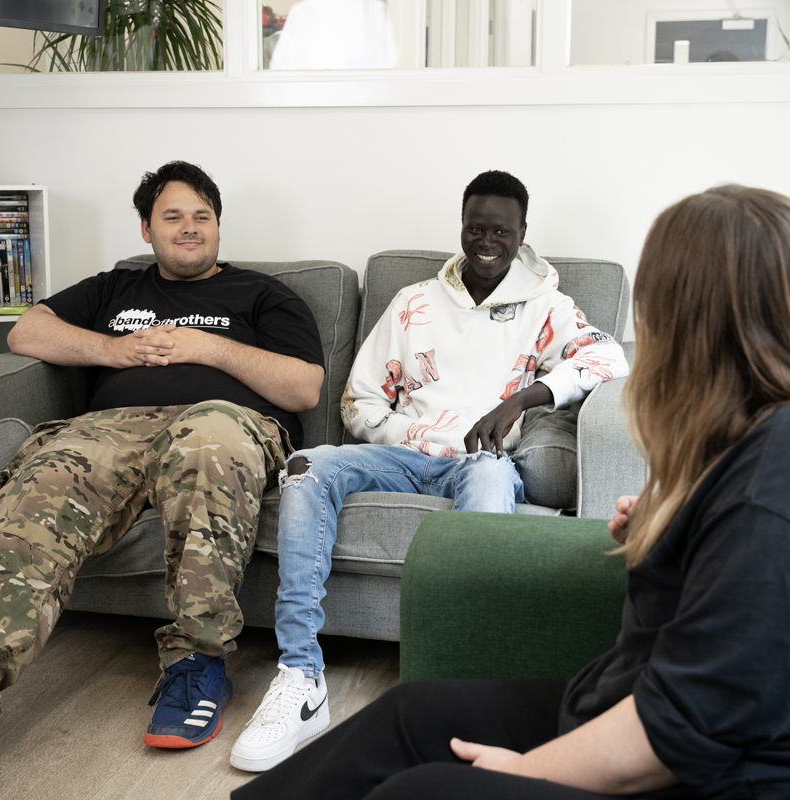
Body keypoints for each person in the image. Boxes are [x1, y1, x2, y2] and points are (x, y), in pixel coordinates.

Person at [230, 184, 790, 800]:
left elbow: (687, 729)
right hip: (668, 710)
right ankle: (298, 682)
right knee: (410, 714)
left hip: (735, 772)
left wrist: (524, 773)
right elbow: (757, 602)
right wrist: (680, 534)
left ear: (696, 323)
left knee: (424, 789)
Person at [0, 161, 326, 786]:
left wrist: (204, 346)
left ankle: (197, 665)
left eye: (202, 216)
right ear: (146, 228)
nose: (189, 228)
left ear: (218, 226)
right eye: (173, 216)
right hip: (110, 430)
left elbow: (304, 387)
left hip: (222, 422)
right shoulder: (115, 288)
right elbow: (27, 331)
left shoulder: (262, 294)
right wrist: (114, 349)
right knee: (45, 481)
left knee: (207, 443)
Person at [229, 171, 629, 772]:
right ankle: (300, 677)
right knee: (305, 466)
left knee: (490, 478)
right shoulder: (413, 302)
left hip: (482, 461)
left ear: (523, 233)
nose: (487, 242)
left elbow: (609, 358)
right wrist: (417, 436)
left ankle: (469, 689)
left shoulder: (548, 306)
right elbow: (359, 402)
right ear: (461, 227)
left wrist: (521, 401)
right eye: (476, 228)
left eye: (501, 231)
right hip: (404, 455)